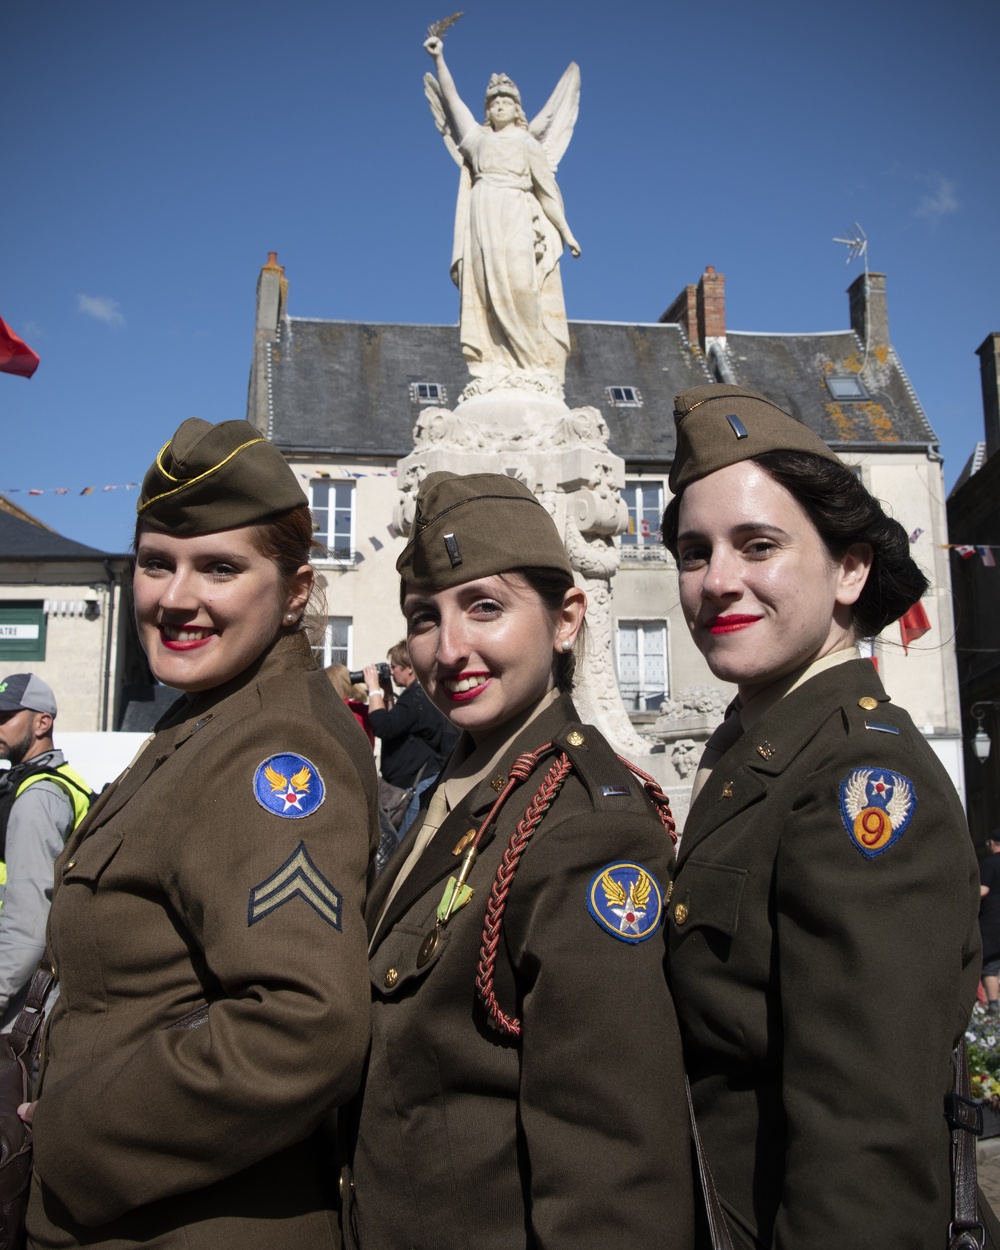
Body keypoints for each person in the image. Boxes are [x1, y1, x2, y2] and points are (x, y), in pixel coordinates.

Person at [24, 419, 378, 1250]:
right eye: (157, 563)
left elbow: (305, 1024)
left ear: (295, 593)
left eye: (220, 567)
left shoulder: (271, 748)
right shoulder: (208, 719)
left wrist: (76, 1131)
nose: (176, 598)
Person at [660, 384, 981, 1247]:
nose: (718, 580)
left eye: (758, 545)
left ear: (850, 568)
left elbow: (866, 1153)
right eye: (695, 553)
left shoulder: (859, 778)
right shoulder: (759, 746)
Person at [342, 471, 694, 1249]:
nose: (450, 648)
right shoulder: (462, 778)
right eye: (424, 619)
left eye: (486, 607)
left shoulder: (586, 827)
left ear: (567, 619)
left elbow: (612, 1168)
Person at [424, 35, 581, 392]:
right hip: (482, 216)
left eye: (505, 101)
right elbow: (452, 102)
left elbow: (546, 191)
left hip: (516, 213)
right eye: (493, 102)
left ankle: (533, 364)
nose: (498, 106)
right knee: (485, 293)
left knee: (522, 286)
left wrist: (567, 233)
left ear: (517, 108)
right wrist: (440, 60)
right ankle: (495, 366)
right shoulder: (477, 140)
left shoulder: (528, 144)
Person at [0, 673, 92, 1028]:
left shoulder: (38, 797)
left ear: (42, 722)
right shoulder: (59, 780)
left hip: (21, 991)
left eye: (6, 718)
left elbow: (28, 920)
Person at [363, 641, 456, 839]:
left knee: (400, 846)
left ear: (410, 668)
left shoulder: (416, 697)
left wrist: (373, 689)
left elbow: (383, 726)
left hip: (416, 784)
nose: (392, 671)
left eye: (395, 666)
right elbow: (396, 723)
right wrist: (387, 692)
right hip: (412, 781)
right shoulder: (418, 695)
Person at [980, 833, 1000, 1013]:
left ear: (992, 842)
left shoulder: (989, 863)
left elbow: (983, 890)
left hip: (993, 920)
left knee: (991, 966)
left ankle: (994, 1006)